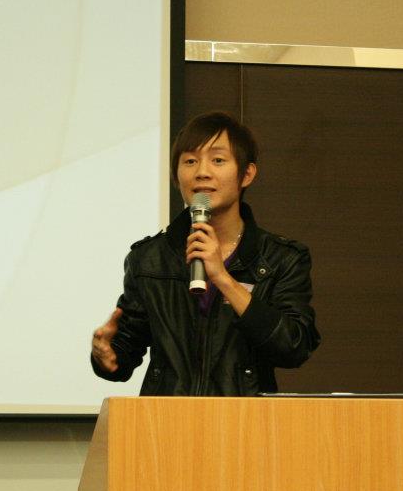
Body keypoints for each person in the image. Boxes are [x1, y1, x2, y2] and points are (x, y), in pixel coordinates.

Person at [90, 111, 320, 395]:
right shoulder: (149, 259)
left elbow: (294, 346)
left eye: (218, 160)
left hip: (245, 418)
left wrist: (223, 278)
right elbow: (126, 350)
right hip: (165, 417)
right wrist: (107, 356)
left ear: (247, 174)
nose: (202, 172)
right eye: (190, 161)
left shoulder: (280, 259)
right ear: (176, 175)